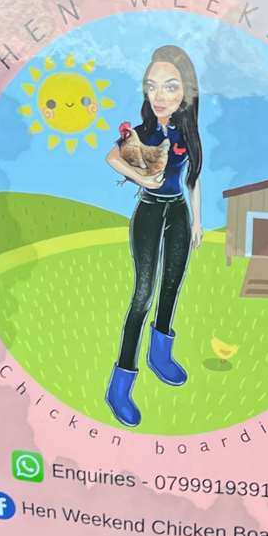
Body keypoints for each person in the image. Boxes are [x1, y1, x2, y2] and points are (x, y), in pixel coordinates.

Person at [104, 44, 206, 427]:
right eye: (152, 86)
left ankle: (160, 354)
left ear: (185, 92)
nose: (159, 95)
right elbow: (112, 158)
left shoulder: (187, 131)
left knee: (172, 286)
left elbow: (193, 177)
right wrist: (143, 177)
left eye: (169, 86)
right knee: (143, 294)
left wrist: (197, 220)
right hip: (149, 212)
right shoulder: (142, 132)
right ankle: (120, 384)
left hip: (178, 211)